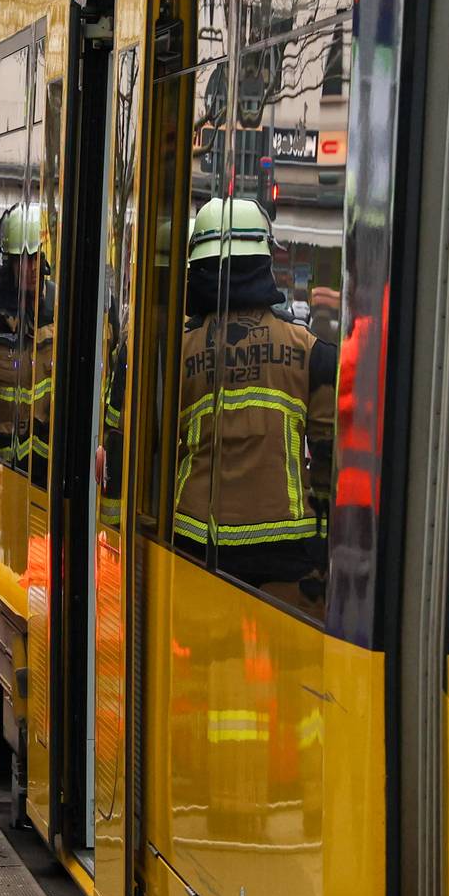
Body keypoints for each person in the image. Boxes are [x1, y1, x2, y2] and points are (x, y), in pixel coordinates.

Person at [171, 198, 339, 612]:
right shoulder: (312, 352)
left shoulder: (172, 351)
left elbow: (146, 450)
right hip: (283, 550)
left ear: (198, 269)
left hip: (193, 541)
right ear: (265, 263)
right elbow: (331, 460)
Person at [0, 202, 56, 481]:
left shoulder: (59, 310)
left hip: (48, 467)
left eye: (37, 256)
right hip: (1, 466)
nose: (33, 267)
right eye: (24, 259)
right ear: (10, 262)